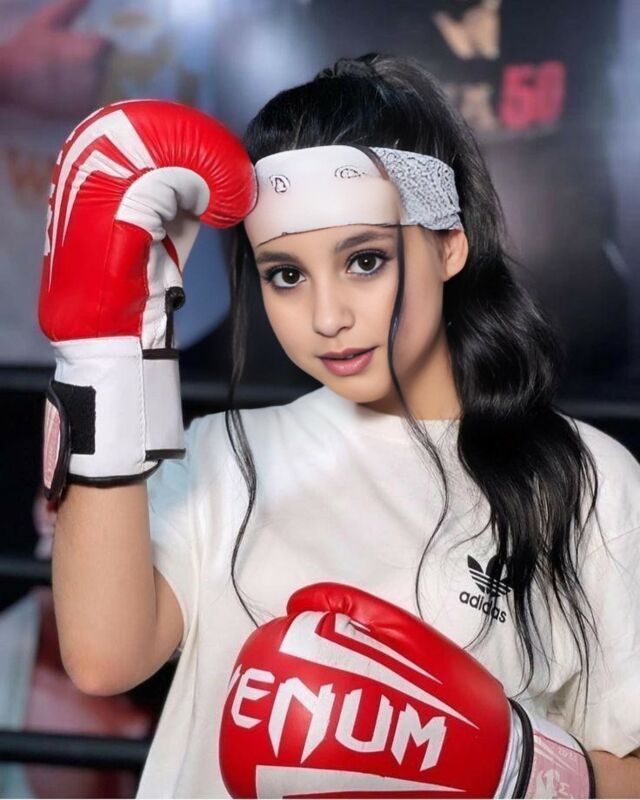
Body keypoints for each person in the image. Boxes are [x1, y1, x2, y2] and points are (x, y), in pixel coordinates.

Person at [42, 54, 640, 798]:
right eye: (286, 274)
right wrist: (100, 352)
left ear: (449, 244)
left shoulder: (585, 479)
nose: (327, 317)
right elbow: (103, 659)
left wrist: (516, 765)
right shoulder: (220, 454)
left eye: (364, 261)